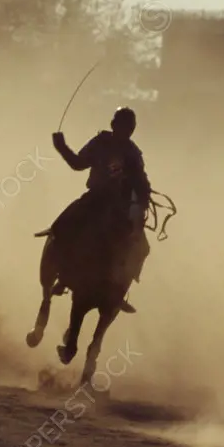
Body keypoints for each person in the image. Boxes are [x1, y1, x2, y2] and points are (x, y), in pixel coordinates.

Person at [49, 106, 152, 313]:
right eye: (123, 126)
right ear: (113, 125)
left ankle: (120, 289)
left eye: (129, 127)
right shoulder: (100, 143)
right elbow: (78, 164)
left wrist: (142, 199)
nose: (126, 130)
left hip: (121, 206)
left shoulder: (133, 153)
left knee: (142, 248)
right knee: (61, 226)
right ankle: (63, 275)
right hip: (94, 199)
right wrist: (62, 148)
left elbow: (142, 183)